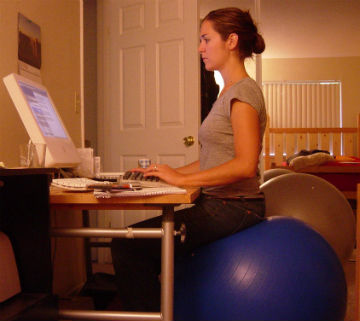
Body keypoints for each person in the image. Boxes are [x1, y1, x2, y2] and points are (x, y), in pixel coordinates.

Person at [111, 7, 267, 311]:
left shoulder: (243, 93)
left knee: (127, 247)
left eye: (206, 39)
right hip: (221, 203)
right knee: (137, 243)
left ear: (231, 41)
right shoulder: (228, 93)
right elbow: (216, 159)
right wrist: (166, 172)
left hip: (236, 208)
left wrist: (182, 180)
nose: (200, 48)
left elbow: (245, 163)